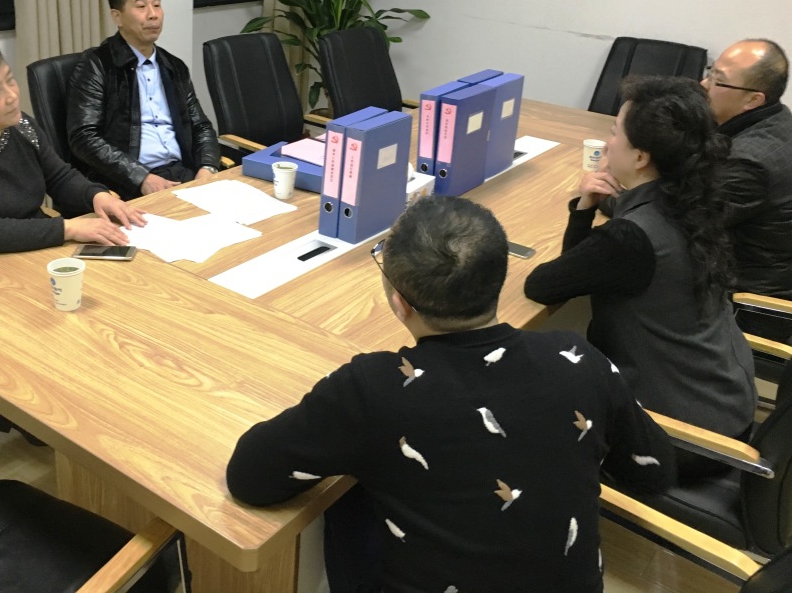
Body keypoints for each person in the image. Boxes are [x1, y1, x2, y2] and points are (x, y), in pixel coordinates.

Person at [227, 195, 675, 593]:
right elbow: (655, 469)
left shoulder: (371, 388)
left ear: (400, 303)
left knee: (353, 486)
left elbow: (249, 477)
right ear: (498, 279)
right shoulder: (579, 358)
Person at [525, 76, 756, 473]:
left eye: (615, 132)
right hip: (723, 402)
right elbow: (583, 267)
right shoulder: (691, 200)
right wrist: (592, 204)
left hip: (680, 437)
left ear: (640, 158)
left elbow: (544, 286)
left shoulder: (631, 238)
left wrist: (583, 210)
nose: (607, 143)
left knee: (521, 390)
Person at [0, 36, 143, 266]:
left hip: (27, 249)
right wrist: (68, 228)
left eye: (10, 80)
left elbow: (59, 178)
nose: (12, 96)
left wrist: (96, 196)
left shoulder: (21, 126)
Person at [67, 0, 221, 199]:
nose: (153, 14)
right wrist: (141, 177)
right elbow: (84, 137)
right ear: (117, 17)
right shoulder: (98, 65)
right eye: (141, 6)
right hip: (127, 182)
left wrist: (207, 168)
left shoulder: (173, 66)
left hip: (182, 174)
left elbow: (201, 126)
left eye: (156, 5)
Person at [701, 39, 792, 321]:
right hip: (742, 276)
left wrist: (615, 194)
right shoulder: (772, 118)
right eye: (710, 72)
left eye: (718, 80)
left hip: (749, 306)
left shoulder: (752, 160)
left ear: (753, 100)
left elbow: (680, 218)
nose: (703, 84)